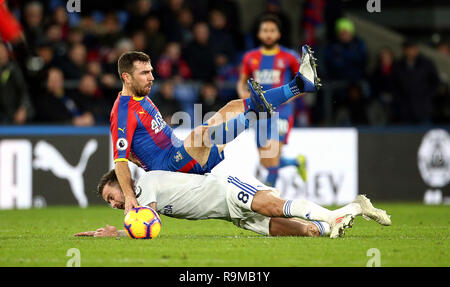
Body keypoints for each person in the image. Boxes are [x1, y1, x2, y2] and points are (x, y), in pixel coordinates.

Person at [110, 47, 320, 215]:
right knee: (202, 133)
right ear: (126, 78)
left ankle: (299, 85)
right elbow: (119, 160)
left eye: (151, 72)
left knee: (233, 107)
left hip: (181, 155)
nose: (151, 77)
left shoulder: (141, 96)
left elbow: (128, 151)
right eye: (145, 73)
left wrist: (136, 157)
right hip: (168, 166)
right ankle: (257, 111)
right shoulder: (122, 112)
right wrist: (129, 196)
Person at [74, 169, 391, 239]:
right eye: (109, 204)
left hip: (226, 189)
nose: (114, 204)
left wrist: (115, 234)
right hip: (229, 215)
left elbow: (150, 223)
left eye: (111, 197)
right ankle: (340, 219)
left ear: (121, 183)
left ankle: (341, 212)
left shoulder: (146, 183)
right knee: (306, 232)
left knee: (273, 206)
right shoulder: (137, 197)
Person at [237, 15, 308, 187]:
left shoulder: (289, 56)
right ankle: (297, 162)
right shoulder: (250, 57)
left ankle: (269, 201)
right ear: (259, 34)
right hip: (260, 113)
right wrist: (244, 97)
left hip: (282, 112)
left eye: (272, 31)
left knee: (271, 154)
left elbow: (305, 83)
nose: (268, 34)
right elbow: (241, 82)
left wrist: (286, 97)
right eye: (265, 30)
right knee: (266, 161)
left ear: (278, 34)